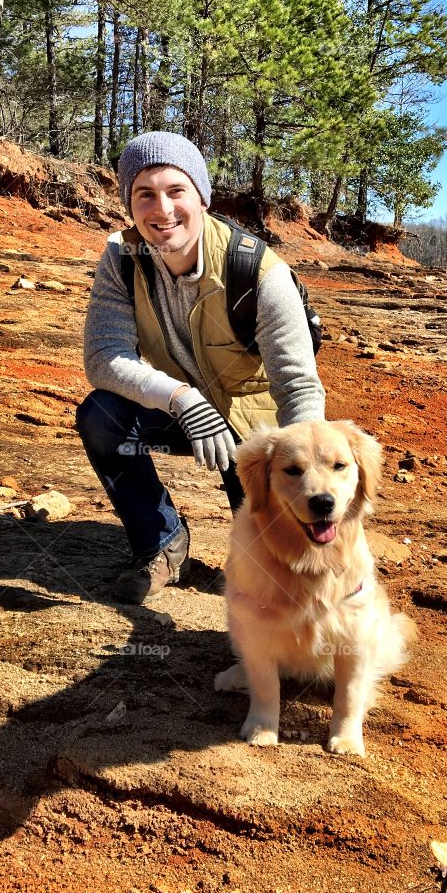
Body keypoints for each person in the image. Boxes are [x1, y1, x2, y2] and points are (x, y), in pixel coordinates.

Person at [76, 131, 325, 604]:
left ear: (202, 197)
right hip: (181, 411)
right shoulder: (122, 258)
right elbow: (104, 357)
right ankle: (162, 544)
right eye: (144, 195)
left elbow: (298, 387)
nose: (162, 210)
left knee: (277, 578)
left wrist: (304, 477)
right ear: (130, 204)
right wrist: (182, 399)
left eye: (176, 191)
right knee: (102, 417)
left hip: (258, 432)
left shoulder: (258, 271)